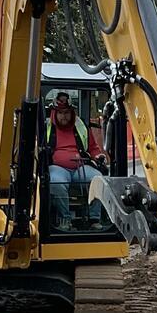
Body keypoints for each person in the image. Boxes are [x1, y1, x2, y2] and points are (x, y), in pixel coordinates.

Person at [45, 91, 107, 231]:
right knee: (55, 182)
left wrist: (98, 156)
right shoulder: (46, 127)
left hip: (81, 167)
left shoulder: (80, 126)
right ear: (54, 113)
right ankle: (65, 220)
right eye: (60, 113)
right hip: (57, 167)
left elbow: (93, 147)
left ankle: (94, 219)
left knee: (98, 179)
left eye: (67, 112)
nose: (64, 116)